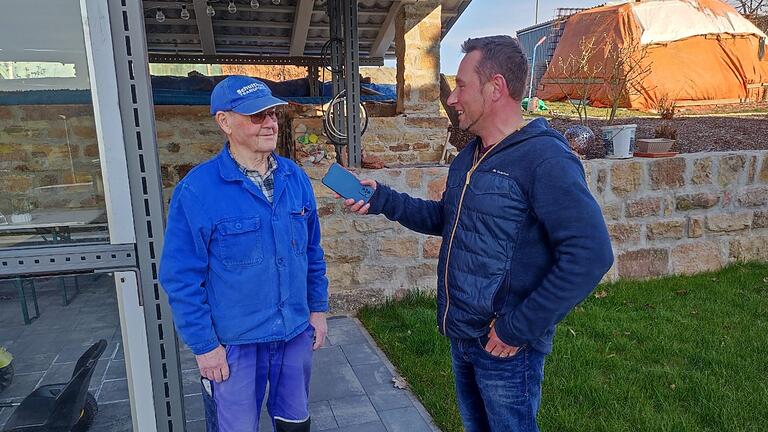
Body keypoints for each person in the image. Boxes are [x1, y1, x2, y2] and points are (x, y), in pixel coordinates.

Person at [340, 36, 614, 432]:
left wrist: (515, 328)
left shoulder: (545, 159)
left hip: (505, 345)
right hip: (464, 333)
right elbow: (448, 218)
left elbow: (590, 254)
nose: (452, 98)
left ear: (496, 87)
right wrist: (383, 199)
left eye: (462, 85)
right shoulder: (471, 154)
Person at [159, 75, 329, 432]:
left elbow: (312, 251)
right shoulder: (197, 190)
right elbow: (181, 276)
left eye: (272, 114)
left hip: (294, 333)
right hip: (235, 344)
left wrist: (318, 311)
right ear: (224, 122)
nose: (269, 123)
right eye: (256, 116)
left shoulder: (294, 178)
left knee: (295, 424)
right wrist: (205, 346)